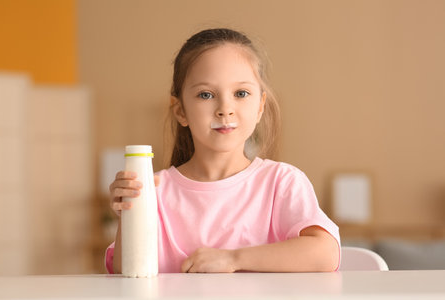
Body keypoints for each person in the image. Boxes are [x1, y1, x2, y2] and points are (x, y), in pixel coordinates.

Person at [106, 28, 340, 274]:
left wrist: (234, 259)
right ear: (180, 111)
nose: (225, 109)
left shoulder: (281, 183)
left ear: (260, 107)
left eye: (241, 93)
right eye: (206, 95)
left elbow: (325, 254)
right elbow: (126, 275)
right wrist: (129, 216)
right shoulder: (154, 191)